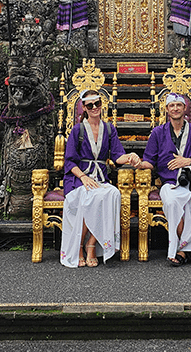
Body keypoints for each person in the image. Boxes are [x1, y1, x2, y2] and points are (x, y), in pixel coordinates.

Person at [138, 93, 191, 266]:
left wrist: (189, 161)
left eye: (179, 105)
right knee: (171, 201)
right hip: (171, 182)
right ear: (167, 109)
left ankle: (183, 250)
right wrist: (138, 163)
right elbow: (149, 161)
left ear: (185, 109)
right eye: (172, 105)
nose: (175, 108)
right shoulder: (158, 133)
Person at [61, 89, 140, 267]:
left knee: (112, 194)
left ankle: (91, 245)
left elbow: (117, 156)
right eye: (90, 105)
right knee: (90, 197)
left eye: (97, 103)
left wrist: (130, 157)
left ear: (101, 104)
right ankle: (79, 246)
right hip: (78, 179)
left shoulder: (109, 129)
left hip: (100, 179)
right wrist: (83, 177)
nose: (95, 107)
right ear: (84, 108)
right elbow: (69, 161)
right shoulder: (77, 130)